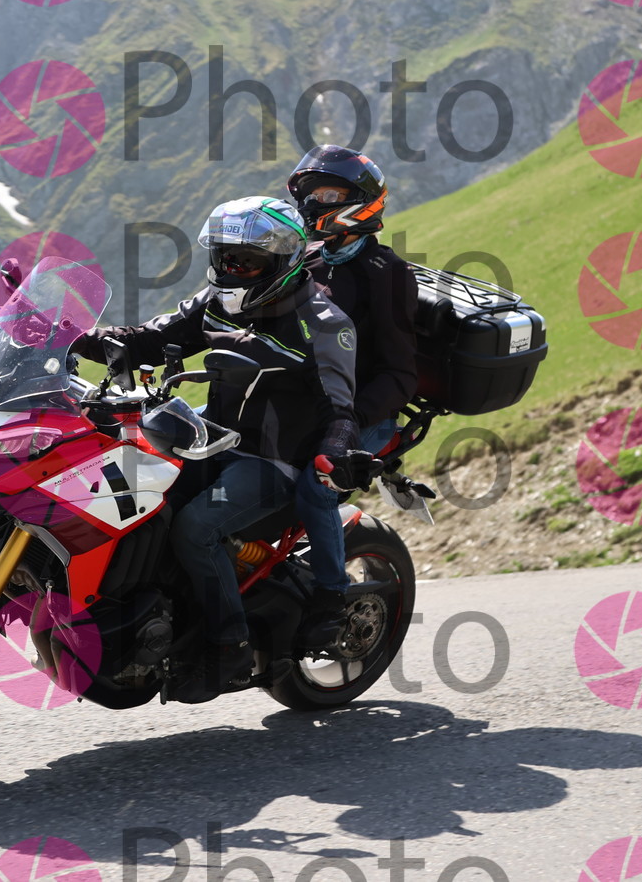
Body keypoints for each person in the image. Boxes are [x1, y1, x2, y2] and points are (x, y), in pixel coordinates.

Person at [72, 196, 374, 702]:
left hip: (274, 461)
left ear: (283, 262)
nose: (232, 270)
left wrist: (335, 453)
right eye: (224, 258)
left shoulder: (323, 323)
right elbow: (149, 339)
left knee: (196, 527)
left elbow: (342, 410)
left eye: (246, 261)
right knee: (134, 493)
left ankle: (228, 643)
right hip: (210, 440)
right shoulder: (217, 301)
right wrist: (72, 337)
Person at [285, 145, 420, 649]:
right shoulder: (307, 261)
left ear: (360, 202)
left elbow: (400, 375)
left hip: (364, 414)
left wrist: (346, 422)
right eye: (308, 196)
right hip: (301, 403)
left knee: (315, 484)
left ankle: (330, 597)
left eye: (325, 196)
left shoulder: (386, 274)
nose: (311, 205)